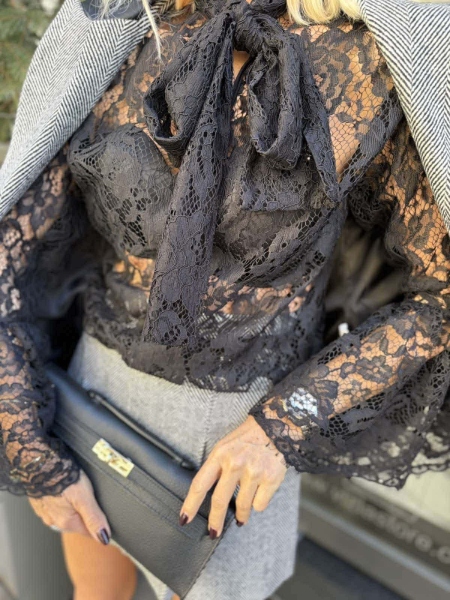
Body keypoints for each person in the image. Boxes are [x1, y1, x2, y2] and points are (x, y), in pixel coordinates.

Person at [1, 0, 450, 599]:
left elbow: (439, 296)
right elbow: (9, 256)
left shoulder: (372, 57)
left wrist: (281, 426)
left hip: (237, 450)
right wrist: (34, 456)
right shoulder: (123, 22)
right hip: (90, 399)